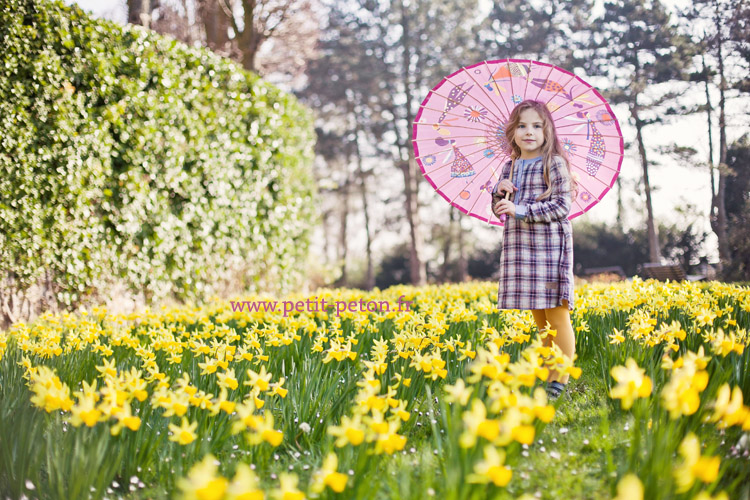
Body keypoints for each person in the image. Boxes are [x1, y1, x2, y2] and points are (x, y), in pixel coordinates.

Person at [491, 99, 578, 401]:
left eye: (537, 126)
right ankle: (548, 371)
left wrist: (520, 209)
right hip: (520, 248)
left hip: (548, 248)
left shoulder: (553, 163)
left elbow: (562, 207)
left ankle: (560, 378)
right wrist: (499, 192)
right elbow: (501, 210)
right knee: (539, 318)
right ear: (512, 132)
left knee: (556, 315)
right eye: (522, 125)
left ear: (547, 131)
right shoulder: (509, 166)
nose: (529, 132)